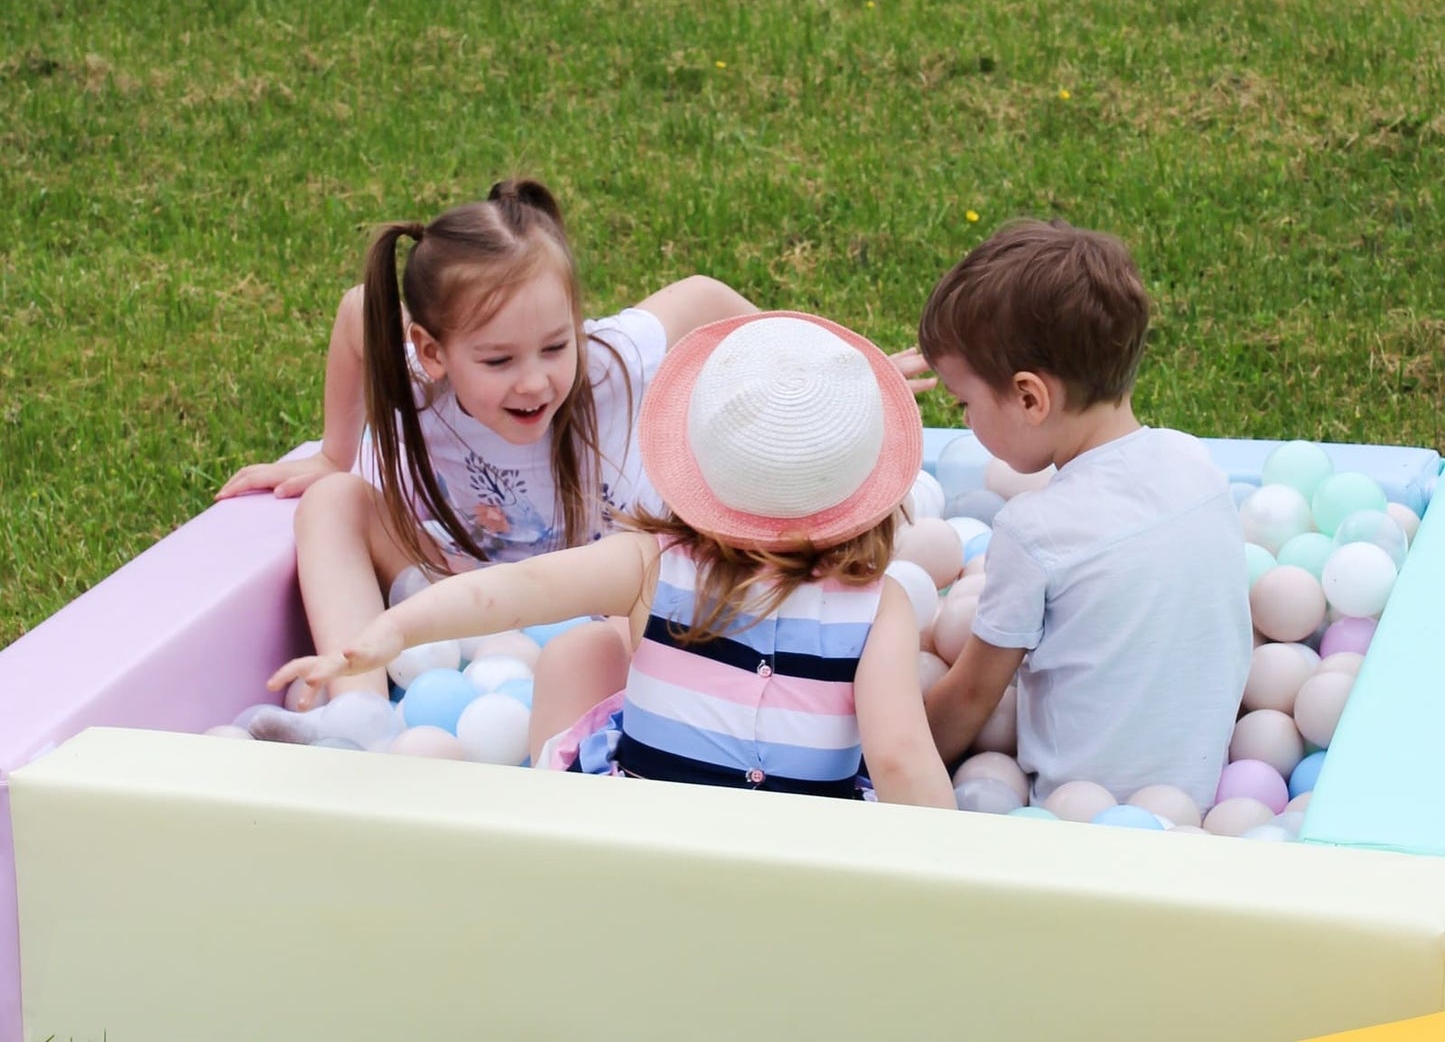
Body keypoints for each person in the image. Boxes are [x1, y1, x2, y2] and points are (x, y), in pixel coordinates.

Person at [269, 312, 957, 810]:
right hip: (804, 854)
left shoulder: (650, 563)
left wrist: (391, 632)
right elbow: (897, 755)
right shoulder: (879, 606)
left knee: (579, 676)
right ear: (869, 487)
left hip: (646, 841)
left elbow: (516, 590)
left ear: (695, 463)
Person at [220, 179, 756, 748]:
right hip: (453, 597)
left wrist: (819, 386)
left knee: (667, 580)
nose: (534, 380)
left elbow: (704, 298)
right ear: (432, 352)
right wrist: (335, 453)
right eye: (498, 359)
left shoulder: (609, 362)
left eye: (555, 346)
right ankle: (359, 712)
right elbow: (359, 312)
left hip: (603, 613)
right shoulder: (421, 379)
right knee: (334, 501)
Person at [917, 219, 1251, 810]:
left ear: (1029, 398)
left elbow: (971, 697)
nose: (963, 420)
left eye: (963, 403)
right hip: (1202, 796)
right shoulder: (1194, 462)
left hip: (1077, 819)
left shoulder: (1035, 530)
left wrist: (876, 758)